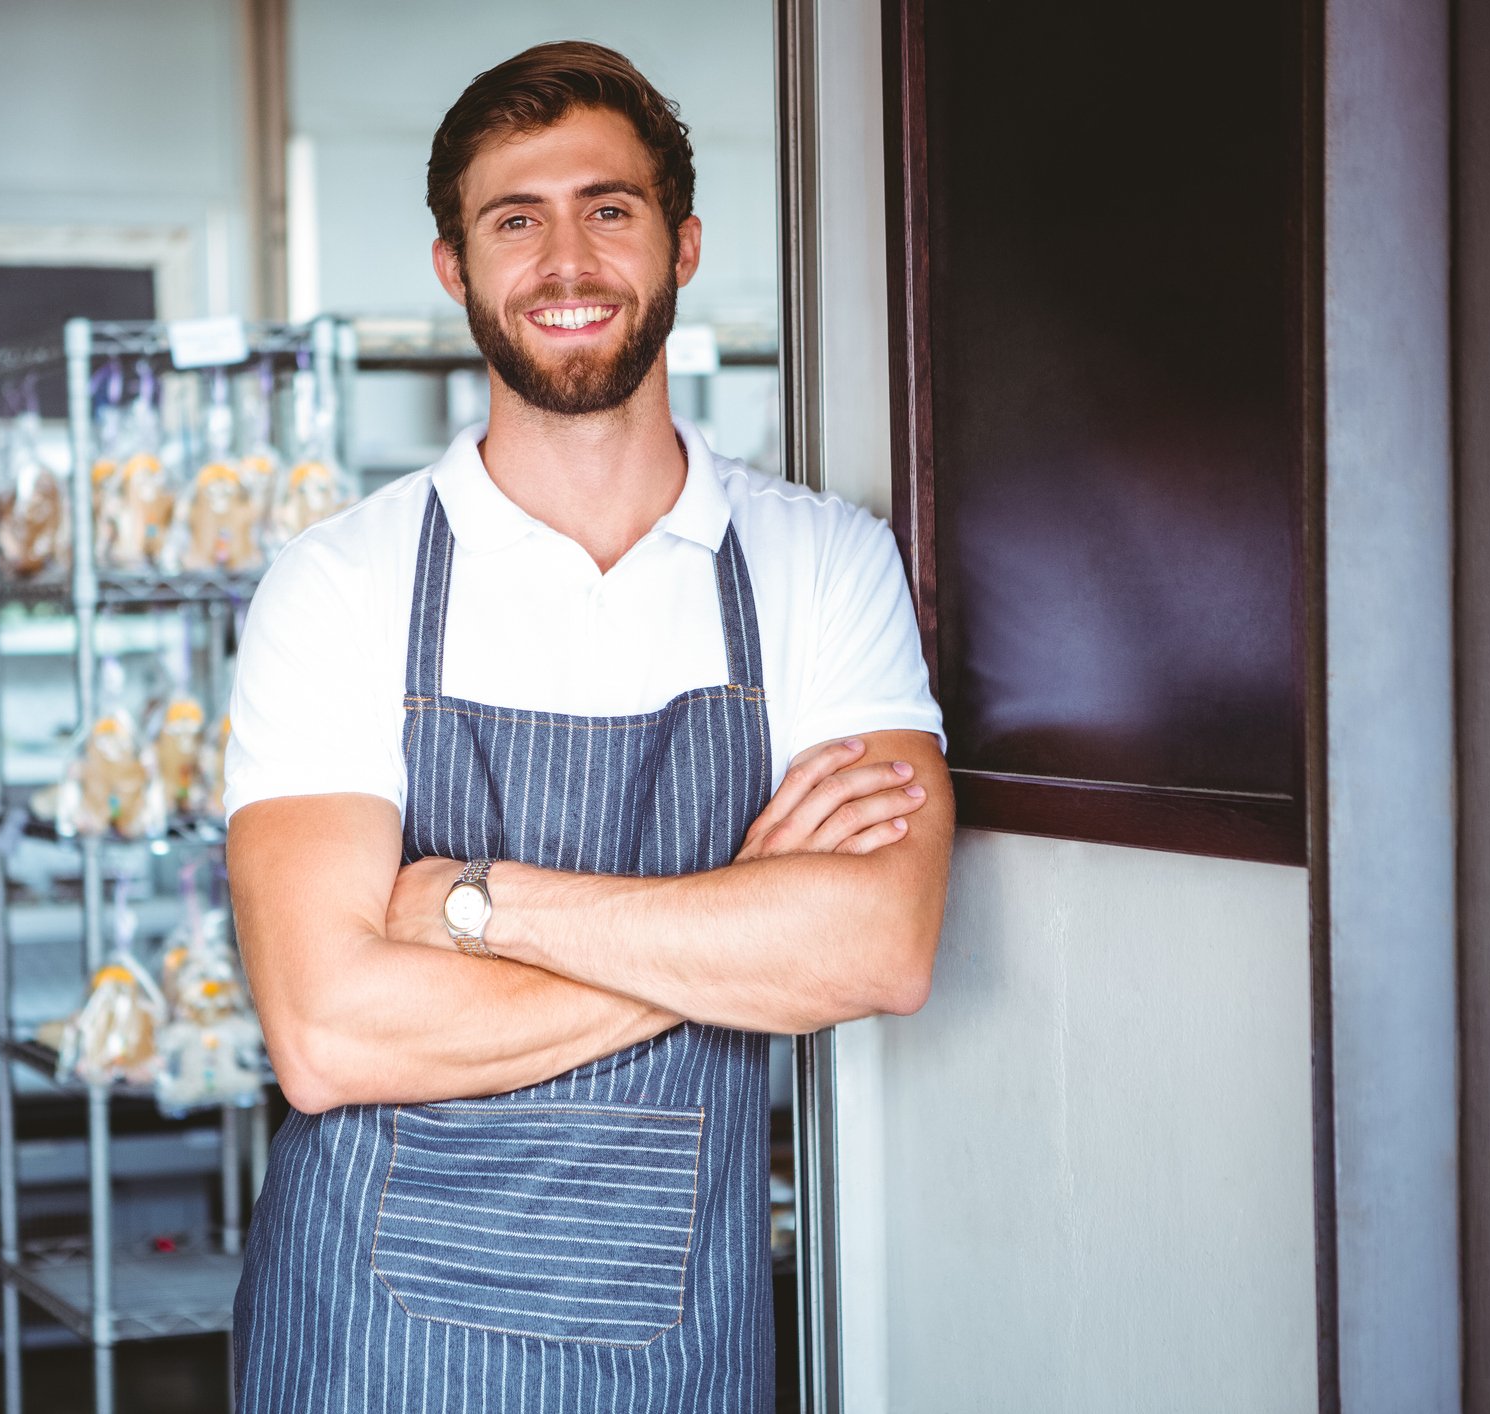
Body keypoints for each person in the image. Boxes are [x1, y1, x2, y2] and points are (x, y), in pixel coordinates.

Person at [223, 39, 953, 1412]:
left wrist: (475, 905)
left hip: (680, 1342)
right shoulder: (339, 586)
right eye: (515, 220)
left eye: (607, 209)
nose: (566, 261)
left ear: (682, 244)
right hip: (375, 1348)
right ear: (454, 268)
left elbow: (881, 945)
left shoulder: (818, 563)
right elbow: (325, 1034)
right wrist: (738, 923)